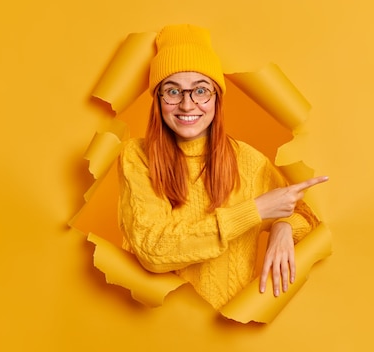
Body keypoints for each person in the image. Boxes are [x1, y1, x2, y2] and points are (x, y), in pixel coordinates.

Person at [117, 24, 328, 310]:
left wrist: (282, 227)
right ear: (158, 100)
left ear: (217, 98)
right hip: (152, 331)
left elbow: (307, 218)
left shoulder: (249, 161)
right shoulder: (137, 156)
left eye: (201, 90)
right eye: (173, 91)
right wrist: (255, 211)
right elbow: (153, 250)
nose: (188, 105)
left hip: (226, 334)